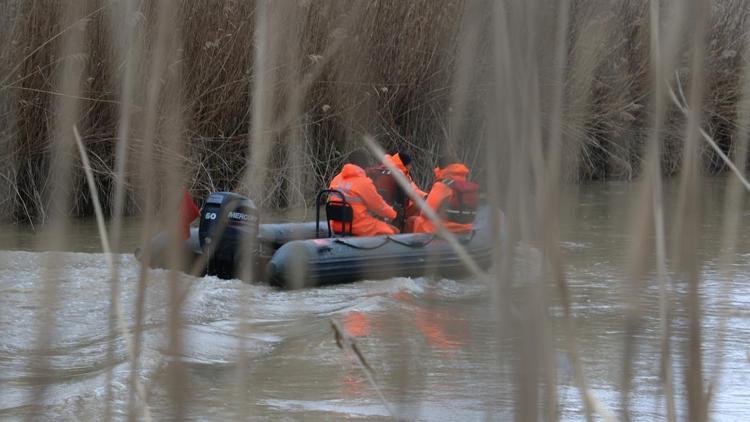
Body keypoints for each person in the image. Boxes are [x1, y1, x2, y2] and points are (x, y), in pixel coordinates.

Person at [328, 150, 399, 236]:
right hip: (356, 225)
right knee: (390, 231)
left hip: (337, 225)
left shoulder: (337, 178)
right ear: (366, 167)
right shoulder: (364, 182)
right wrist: (394, 214)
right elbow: (379, 207)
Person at [411, 156, 479, 234]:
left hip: (443, 231)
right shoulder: (465, 184)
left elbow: (426, 212)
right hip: (465, 229)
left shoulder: (441, 186)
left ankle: (412, 245)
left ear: (441, 168)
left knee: (416, 220)